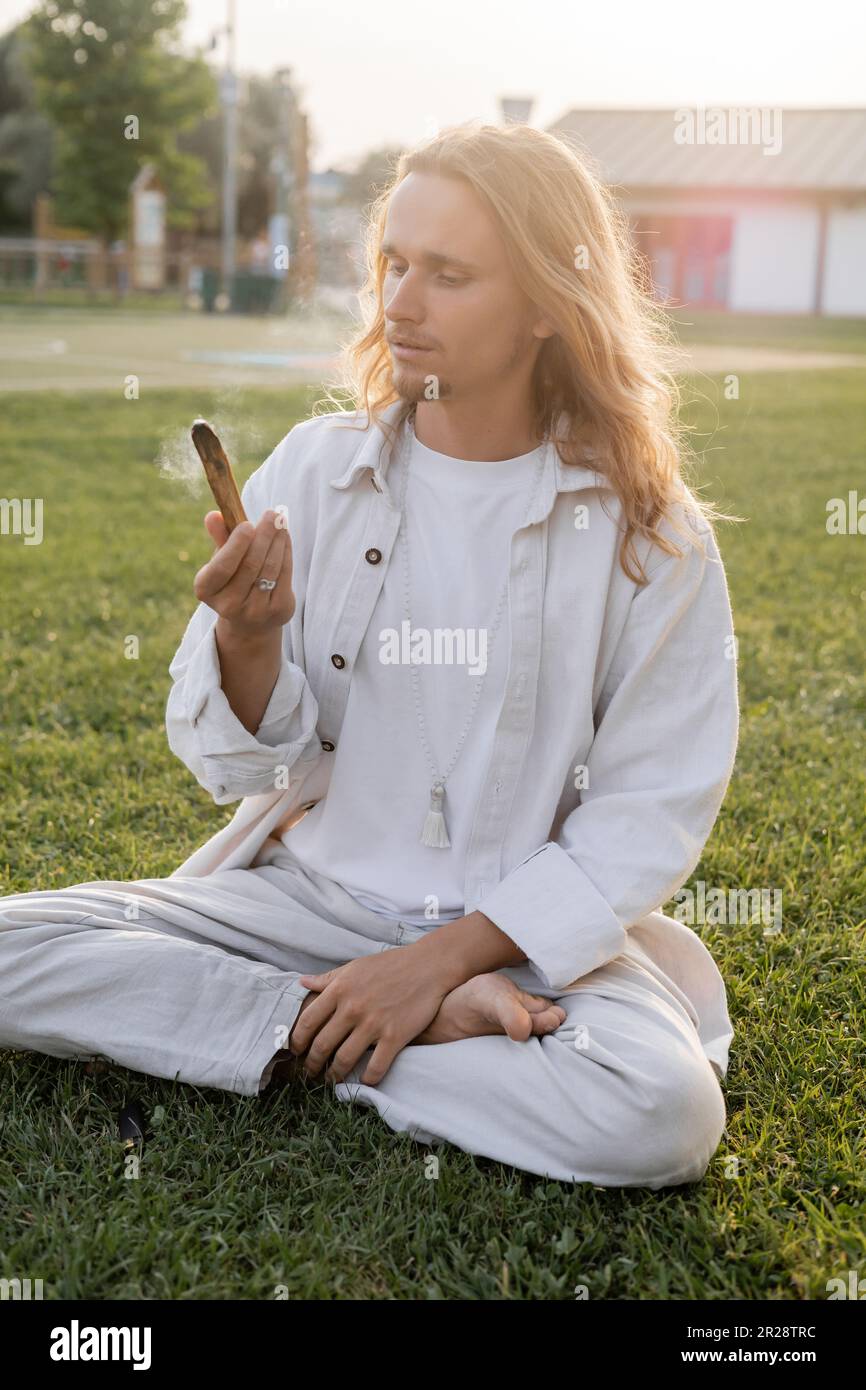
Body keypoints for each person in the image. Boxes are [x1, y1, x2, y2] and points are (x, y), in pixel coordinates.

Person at [0, 122, 740, 1188]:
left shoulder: (649, 535)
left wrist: (434, 965)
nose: (400, 301)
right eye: (393, 262)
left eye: (448, 274)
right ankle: (391, 1030)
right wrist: (245, 640)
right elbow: (237, 769)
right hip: (303, 905)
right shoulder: (317, 465)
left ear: (544, 304)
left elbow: (644, 819)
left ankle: (306, 1033)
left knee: (658, 1113)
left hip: (515, 944)